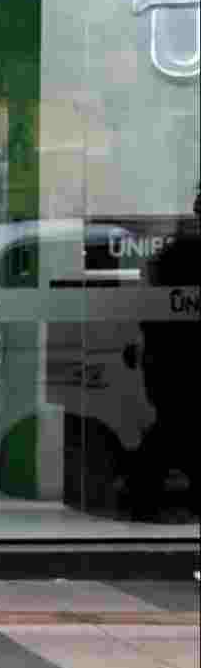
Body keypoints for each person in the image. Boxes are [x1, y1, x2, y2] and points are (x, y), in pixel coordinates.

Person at [127, 184, 200, 522]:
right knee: (175, 430)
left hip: (167, 360)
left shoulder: (169, 256)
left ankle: (143, 495)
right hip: (178, 360)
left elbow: (149, 314)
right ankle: (142, 495)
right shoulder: (179, 256)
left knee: (176, 430)